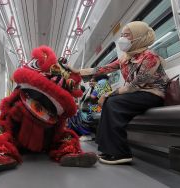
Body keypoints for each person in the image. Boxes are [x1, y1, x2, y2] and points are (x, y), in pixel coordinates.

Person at [68, 21, 169, 164]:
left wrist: (109, 94)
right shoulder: (126, 58)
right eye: (122, 35)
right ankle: (108, 149)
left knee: (114, 102)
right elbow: (103, 69)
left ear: (138, 37)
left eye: (127, 35)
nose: (123, 39)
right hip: (138, 94)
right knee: (111, 102)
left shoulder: (150, 57)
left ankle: (121, 153)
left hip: (153, 94)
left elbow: (135, 85)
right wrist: (78, 71)